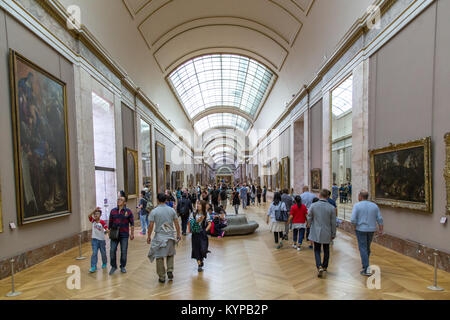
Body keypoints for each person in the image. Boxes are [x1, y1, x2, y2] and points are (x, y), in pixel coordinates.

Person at [147, 193, 182, 283]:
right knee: (170, 254)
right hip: (170, 236)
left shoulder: (154, 211)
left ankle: (162, 276)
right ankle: (170, 269)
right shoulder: (171, 210)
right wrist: (178, 234)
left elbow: (151, 225)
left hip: (159, 238)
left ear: (158, 200)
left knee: (159, 257)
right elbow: (176, 223)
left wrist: (148, 236)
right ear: (166, 200)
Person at [351, 190, 384, 276]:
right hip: (371, 229)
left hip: (361, 229)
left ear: (360, 196)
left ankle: (366, 268)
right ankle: (365, 265)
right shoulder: (374, 206)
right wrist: (381, 229)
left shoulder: (357, 205)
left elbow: (353, 219)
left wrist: (354, 227)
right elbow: (380, 218)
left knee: (362, 248)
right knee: (367, 248)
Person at [307, 189, 337, 278]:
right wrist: (333, 234)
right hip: (327, 231)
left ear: (319, 195)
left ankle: (319, 265)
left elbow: (309, 217)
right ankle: (324, 266)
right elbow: (333, 223)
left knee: (317, 249)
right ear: (328, 196)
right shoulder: (331, 208)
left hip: (316, 230)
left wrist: (309, 224)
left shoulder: (313, 206)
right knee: (326, 249)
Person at [108, 195, 134, 275]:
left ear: (125, 202)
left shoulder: (128, 212)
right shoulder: (113, 211)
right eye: (118, 199)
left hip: (124, 234)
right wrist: (109, 232)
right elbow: (110, 223)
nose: (119, 201)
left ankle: (122, 266)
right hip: (114, 234)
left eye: (121, 200)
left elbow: (132, 224)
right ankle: (113, 266)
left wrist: (132, 234)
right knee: (112, 250)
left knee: (123, 251)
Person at [190, 200, 211, 272]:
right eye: (197, 204)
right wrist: (197, 221)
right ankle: (199, 264)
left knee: (203, 249)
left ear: (203, 206)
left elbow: (209, 224)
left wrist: (205, 231)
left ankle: (201, 259)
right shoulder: (193, 214)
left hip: (202, 234)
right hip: (195, 234)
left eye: (200, 204)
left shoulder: (206, 214)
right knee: (196, 249)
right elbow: (190, 224)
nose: (198, 205)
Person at [88, 207, 108, 273]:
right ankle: (93, 266)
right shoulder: (93, 221)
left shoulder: (102, 222)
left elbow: (106, 228)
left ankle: (104, 263)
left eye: (98, 214)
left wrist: (107, 231)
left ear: (100, 215)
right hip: (94, 240)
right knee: (94, 253)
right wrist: (94, 210)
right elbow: (89, 216)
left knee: (103, 253)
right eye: (95, 214)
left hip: (101, 240)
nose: (96, 215)